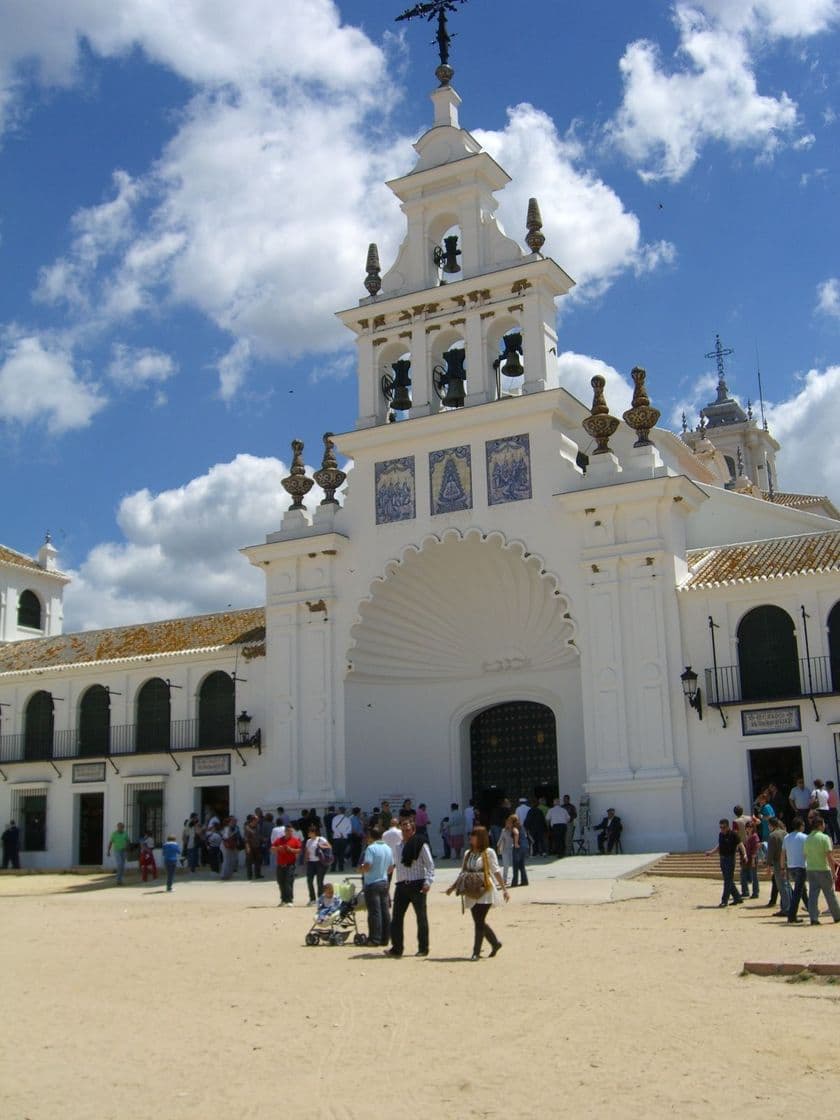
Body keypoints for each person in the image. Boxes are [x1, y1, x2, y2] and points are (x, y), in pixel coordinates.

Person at [446, 826, 509, 960]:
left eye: (474, 835)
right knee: (478, 921)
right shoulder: (467, 853)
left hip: (485, 889)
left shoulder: (488, 852)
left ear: (481, 838)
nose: (471, 838)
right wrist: (453, 887)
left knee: (479, 920)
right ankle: (495, 943)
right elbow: (463, 872)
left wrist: (504, 889)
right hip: (471, 890)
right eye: (471, 835)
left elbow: (496, 870)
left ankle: (476, 951)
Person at [385, 816, 435, 958]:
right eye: (403, 829)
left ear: (413, 830)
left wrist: (428, 882)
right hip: (401, 885)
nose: (405, 832)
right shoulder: (398, 846)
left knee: (421, 918)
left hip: (417, 885)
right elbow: (396, 863)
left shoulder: (420, 844)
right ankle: (397, 948)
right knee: (396, 919)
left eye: (408, 829)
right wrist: (390, 868)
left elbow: (430, 865)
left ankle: (423, 948)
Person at [361, 826, 395, 946]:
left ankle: (374, 938)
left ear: (371, 836)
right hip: (384, 881)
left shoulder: (371, 848)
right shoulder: (388, 848)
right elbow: (391, 868)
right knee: (385, 911)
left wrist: (361, 869)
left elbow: (368, 865)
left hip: (372, 882)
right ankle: (385, 937)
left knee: (374, 912)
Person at [803, 815, 840, 925]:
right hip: (823, 869)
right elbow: (829, 857)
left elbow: (805, 855)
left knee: (813, 895)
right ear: (820, 825)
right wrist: (834, 873)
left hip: (811, 869)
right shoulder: (824, 838)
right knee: (829, 894)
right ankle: (837, 916)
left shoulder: (807, 838)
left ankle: (813, 918)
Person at [705, 819, 743, 906]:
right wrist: (711, 852)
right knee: (728, 880)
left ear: (728, 826)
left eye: (723, 827)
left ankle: (724, 901)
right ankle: (737, 897)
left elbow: (740, 845)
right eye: (720, 827)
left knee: (727, 881)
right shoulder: (721, 835)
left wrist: (744, 855)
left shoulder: (733, 834)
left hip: (730, 859)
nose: (722, 829)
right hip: (722, 859)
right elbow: (719, 846)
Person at [783, 817, 808, 924]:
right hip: (801, 866)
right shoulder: (804, 837)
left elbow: (782, 853)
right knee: (798, 892)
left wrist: (782, 868)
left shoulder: (787, 837)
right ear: (801, 826)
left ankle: (811, 908)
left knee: (801, 890)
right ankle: (792, 915)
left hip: (791, 866)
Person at [766, 817, 791, 915]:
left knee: (781, 886)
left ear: (771, 825)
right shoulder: (785, 833)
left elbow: (770, 852)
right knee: (787, 885)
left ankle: (786, 908)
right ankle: (789, 906)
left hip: (778, 862)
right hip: (787, 861)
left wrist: (768, 865)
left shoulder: (772, 835)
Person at [272, 825, 302, 906]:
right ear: (285, 831)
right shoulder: (279, 840)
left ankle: (289, 900)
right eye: (288, 831)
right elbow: (272, 849)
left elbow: (299, 850)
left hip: (290, 865)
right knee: (280, 882)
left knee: (288, 882)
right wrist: (278, 848)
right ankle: (283, 900)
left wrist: (291, 850)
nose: (289, 832)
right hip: (280, 864)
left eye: (291, 831)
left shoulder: (295, 840)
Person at [304, 824, 332, 904]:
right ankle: (312, 899)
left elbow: (329, 846)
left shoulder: (321, 839)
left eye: (309, 832)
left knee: (319, 881)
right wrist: (305, 861)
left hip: (320, 862)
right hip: (311, 863)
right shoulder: (308, 841)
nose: (308, 834)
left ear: (313, 832)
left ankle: (320, 898)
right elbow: (307, 851)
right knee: (309, 880)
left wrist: (321, 846)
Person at [739, 821, 760, 899]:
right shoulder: (748, 836)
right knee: (743, 874)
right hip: (747, 858)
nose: (749, 828)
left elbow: (756, 848)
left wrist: (753, 859)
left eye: (750, 827)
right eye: (747, 827)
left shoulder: (754, 836)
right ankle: (745, 891)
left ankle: (755, 892)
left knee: (754, 876)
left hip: (753, 857)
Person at [497, 815, 517, 887]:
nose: (508, 824)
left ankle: (515, 879)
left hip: (513, 850)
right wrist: (498, 847)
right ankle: (504, 880)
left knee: (514, 865)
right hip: (505, 850)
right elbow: (500, 840)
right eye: (507, 823)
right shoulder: (503, 830)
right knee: (506, 866)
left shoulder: (514, 830)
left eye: (509, 823)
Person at [331, 806, 351, 871]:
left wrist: (339, 834)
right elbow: (349, 829)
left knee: (335, 853)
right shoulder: (347, 819)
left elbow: (333, 828)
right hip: (344, 838)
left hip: (336, 838)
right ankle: (341, 867)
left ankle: (333, 867)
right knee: (342, 853)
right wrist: (343, 834)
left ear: (339, 811)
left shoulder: (335, 818)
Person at [243, 814, 263, 880]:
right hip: (250, 847)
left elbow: (258, 835)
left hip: (257, 846)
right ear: (253, 820)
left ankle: (257, 875)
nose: (258, 820)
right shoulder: (247, 828)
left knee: (258, 861)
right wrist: (248, 848)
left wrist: (262, 839)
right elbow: (246, 839)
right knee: (249, 862)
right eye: (257, 819)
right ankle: (249, 876)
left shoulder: (257, 826)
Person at [826, 781, 840, 845]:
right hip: (834, 809)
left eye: (826, 785)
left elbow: (827, 802)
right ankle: (836, 840)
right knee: (834, 826)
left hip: (830, 810)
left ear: (828, 786)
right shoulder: (834, 792)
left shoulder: (829, 793)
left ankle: (835, 840)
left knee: (832, 827)